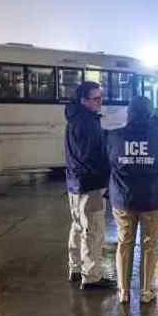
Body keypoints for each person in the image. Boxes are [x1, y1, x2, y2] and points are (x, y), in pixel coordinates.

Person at [107, 96, 158, 304]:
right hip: (152, 198)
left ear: (129, 113)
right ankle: (145, 291)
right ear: (149, 113)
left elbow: (108, 160)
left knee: (124, 243)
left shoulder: (114, 136)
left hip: (123, 198)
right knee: (149, 244)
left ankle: (123, 292)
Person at [64, 81, 114, 290]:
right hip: (89, 185)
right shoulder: (87, 124)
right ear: (83, 101)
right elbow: (90, 157)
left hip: (75, 183)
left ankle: (75, 268)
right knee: (92, 230)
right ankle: (92, 276)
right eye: (95, 99)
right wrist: (107, 174)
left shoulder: (75, 120)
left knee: (78, 227)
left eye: (101, 97)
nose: (100, 102)